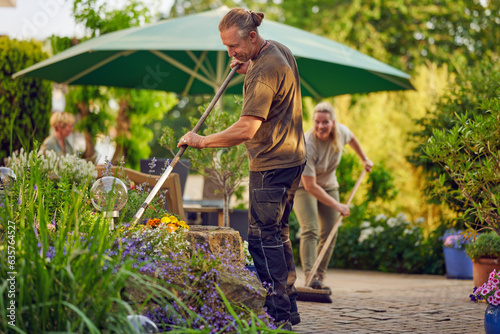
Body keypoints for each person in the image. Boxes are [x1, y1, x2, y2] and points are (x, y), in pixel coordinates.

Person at [177, 8, 306, 330]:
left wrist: (202, 140)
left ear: (251, 36)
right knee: (279, 234)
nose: (230, 53)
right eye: (226, 48)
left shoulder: (262, 71)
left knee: (262, 239)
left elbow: (246, 129)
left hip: (271, 163)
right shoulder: (278, 50)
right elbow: (274, 82)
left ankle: (275, 316)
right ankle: (287, 308)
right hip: (292, 158)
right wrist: (246, 65)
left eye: (234, 47)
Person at [293, 102, 373, 290]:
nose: (321, 126)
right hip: (303, 188)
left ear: (333, 123)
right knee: (310, 229)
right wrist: (338, 206)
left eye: (325, 122)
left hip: (328, 184)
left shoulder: (341, 132)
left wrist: (364, 158)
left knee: (330, 231)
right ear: (313, 122)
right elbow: (310, 186)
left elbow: (352, 138)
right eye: (317, 122)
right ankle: (309, 276)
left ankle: (319, 276)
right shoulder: (307, 144)